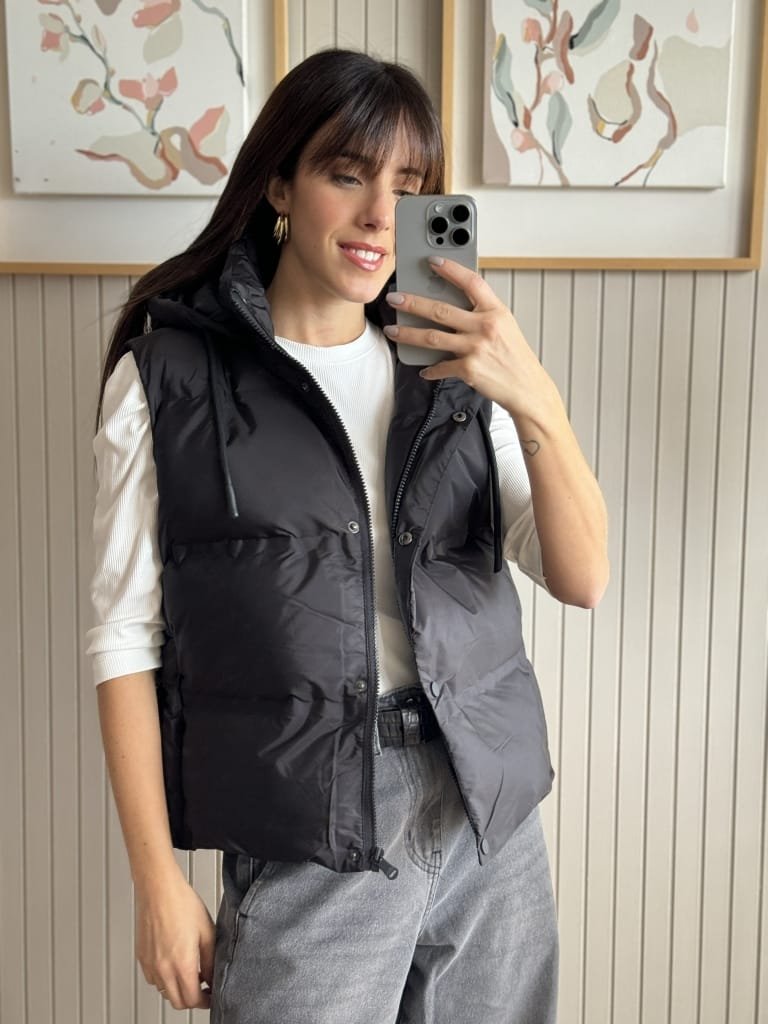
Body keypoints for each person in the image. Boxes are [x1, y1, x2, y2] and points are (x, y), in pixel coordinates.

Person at [87, 48, 608, 1024]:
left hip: (485, 815)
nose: (379, 214)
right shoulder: (170, 380)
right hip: (310, 821)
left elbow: (582, 577)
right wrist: (156, 881)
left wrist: (533, 395)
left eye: (408, 186)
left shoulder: (454, 371)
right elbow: (123, 643)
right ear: (280, 183)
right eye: (348, 173)